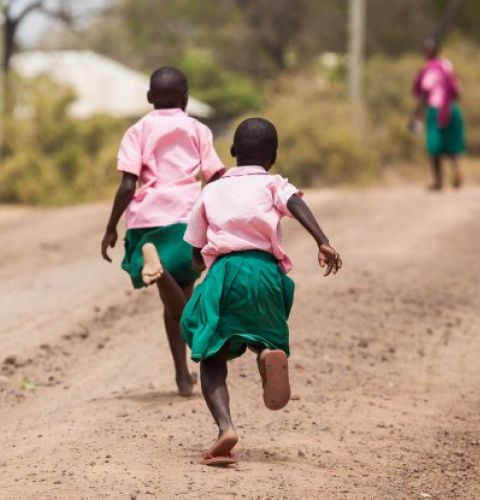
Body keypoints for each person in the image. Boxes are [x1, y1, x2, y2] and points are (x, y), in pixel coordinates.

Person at [180, 118, 342, 466]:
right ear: (274, 156)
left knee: (211, 353)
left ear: (233, 152)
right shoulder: (273, 184)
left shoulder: (213, 189)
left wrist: (198, 262)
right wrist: (323, 241)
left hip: (226, 273)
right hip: (268, 274)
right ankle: (268, 353)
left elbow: (195, 246)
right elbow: (296, 204)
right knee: (260, 330)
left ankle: (225, 427)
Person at [100, 67, 224, 397]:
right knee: (184, 293)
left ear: (149, 98)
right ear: (185, 98)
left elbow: (128, 184)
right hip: (187, 217)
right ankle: (188, 367)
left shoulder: (136, 131)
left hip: (147, 221)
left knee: (171, 305)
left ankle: (182, 376)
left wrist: (112, 227)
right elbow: (214, 176)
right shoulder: (198, 129)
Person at [410, 36, 466, 190]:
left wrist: (416, 115)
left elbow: (425, 94)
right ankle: (456, 169)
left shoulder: (428, 70)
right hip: (453, 109)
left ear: (425, 52)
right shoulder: (447, 65)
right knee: (452, 145)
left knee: (434, 147)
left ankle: (438, 181)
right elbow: (457, 90)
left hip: (436, 110)